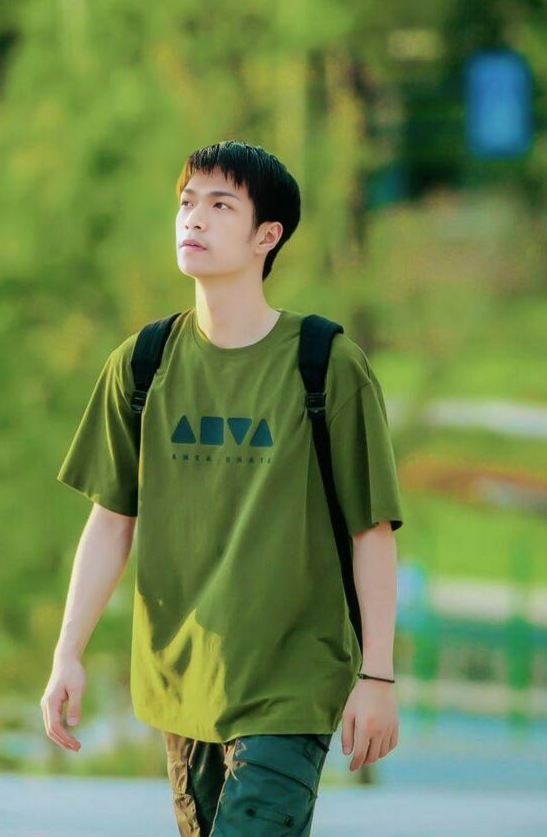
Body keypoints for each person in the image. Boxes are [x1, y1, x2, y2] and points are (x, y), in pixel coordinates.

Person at [41, 140, 405, 836]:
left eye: (219, 205)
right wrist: (67, 652)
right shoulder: (142, 364)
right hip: (181, 682)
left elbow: (372, 530)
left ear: (267, 235)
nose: (194, 218)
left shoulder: (326, 365)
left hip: (291, 680)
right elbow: (111, 521)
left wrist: (378, 677)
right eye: (186, 202)